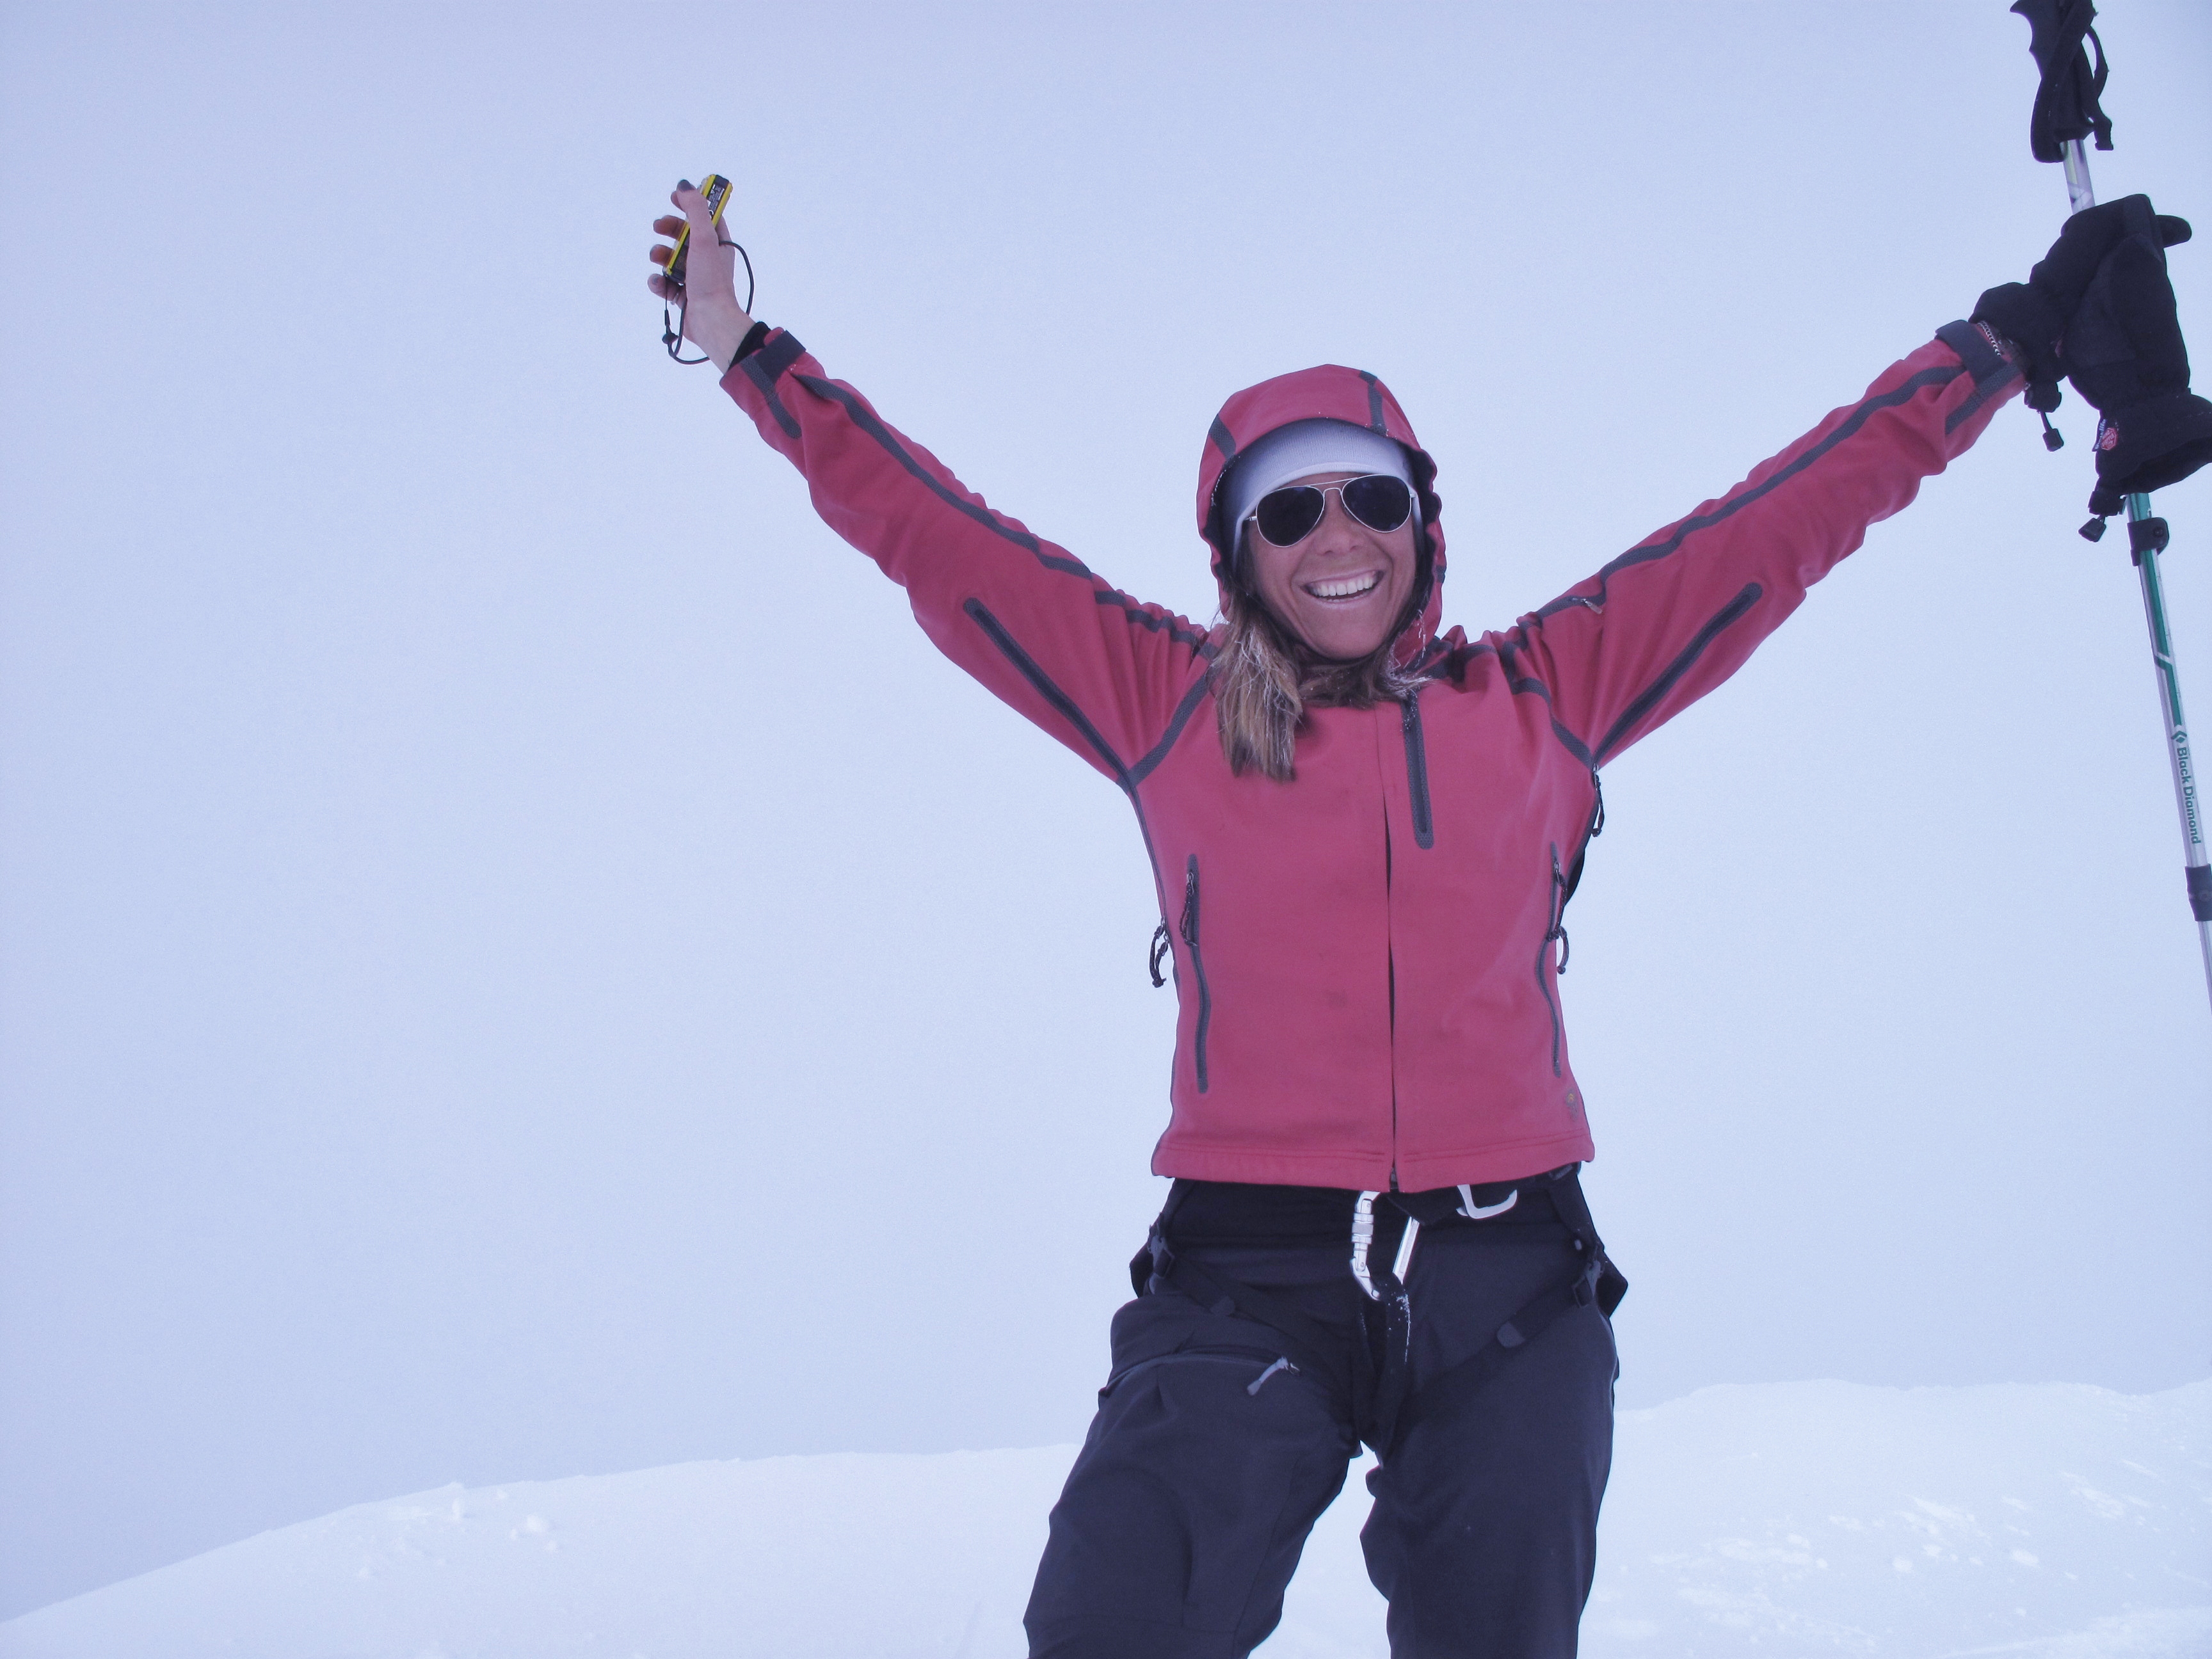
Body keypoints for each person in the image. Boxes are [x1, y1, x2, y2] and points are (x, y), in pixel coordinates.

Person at [646, 182, 2200, 1658]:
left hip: (1509, 1282)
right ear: (1237, 554)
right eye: (1290, 510)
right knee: (1112, 1623)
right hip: (1249, 1277)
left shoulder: (1548, 693)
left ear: (1421, 522)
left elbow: (1783, 520)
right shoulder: (1162, 704)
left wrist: (1994, 350)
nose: (1338, 535)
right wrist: (745, 353)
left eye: (1371, 497)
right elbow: (937, 534)